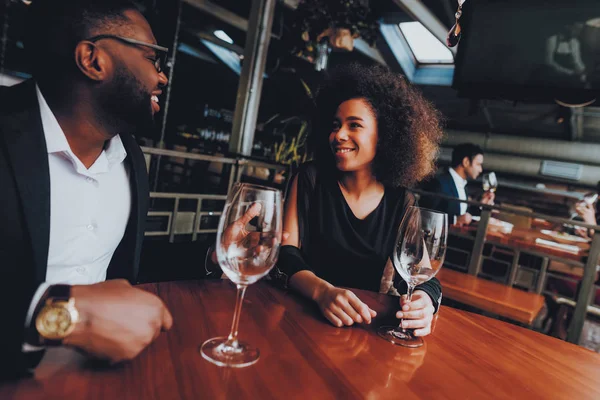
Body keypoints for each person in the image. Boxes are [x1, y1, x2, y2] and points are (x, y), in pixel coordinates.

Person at [0, 0, 173, 379]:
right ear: (93, 59)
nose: (162, 78)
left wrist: (215, 256)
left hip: (96, 379)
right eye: (153, 59)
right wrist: (61, 316)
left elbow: (124, 265)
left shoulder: (130, 158)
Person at [272, 63, 444, 336]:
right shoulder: (310, 179)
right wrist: (322, 292)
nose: (339, 135)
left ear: (385, 136)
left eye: (354, 125)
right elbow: (285, 254)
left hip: (361, 328)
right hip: (298, 316)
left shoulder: (401, 201)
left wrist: (425, 303)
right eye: (335, 125)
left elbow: (422, 277)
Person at [420, 143, 494, 226]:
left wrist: (481, 204)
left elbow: (462, 213)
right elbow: (423, 215)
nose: (480, 170)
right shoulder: (438, 182)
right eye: (478, 164)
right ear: (466, 162)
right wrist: (455, 220)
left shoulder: (463, 185)